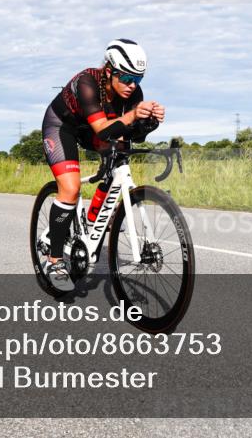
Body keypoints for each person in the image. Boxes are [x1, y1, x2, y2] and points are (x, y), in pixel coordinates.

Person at [40, 39, 165, 279]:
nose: (132, 85)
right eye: (127, 78)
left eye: (138, 79)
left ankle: (94, 220)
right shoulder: (87, 82)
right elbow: (102, 131)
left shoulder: (133, 92)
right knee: (71, 187)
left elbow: (133, 136)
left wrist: (149, 123)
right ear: (109, 71)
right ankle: (54, 260)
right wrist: (131, 116)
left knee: (119, 163)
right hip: (63, 127)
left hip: (97, 127)